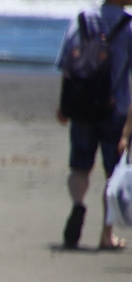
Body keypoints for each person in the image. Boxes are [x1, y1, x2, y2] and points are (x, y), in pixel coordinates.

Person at [56, 0, 131, 250]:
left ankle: (78, 204)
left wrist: (64, 104)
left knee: (79, 167)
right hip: (115, 109)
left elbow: (67, 61)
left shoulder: (82, 17)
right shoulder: (128, 25)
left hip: (81, 106)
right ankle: (106, 235)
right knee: (112, 175)